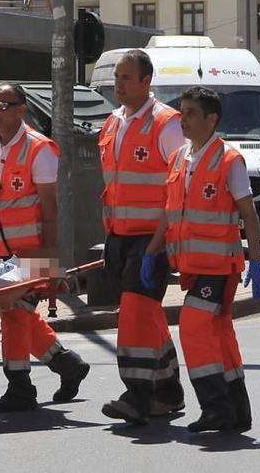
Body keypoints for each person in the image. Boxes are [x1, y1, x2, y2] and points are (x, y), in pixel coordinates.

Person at [0, 84, 90, 412]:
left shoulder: (39, 150)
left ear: (21, 110)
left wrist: (51, 264)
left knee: (14, 314)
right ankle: (68, 364)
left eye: (3, 105)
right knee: (20, 314)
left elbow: (51, 211)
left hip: (32, 254)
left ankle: (20, 387)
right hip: (0, 254)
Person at [141, 86, 260, 433]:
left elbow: (249, 214)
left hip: (220, 267)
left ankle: (214, 407)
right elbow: (169, 211)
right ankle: (237, 411)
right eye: (182, 112)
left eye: (192, 113)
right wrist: (152, 252)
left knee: (194, 328)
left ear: (212, 119)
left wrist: (255, 261)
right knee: (220, 336)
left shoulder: (229, 160)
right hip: (192, 268)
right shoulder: (180, 157)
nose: (184, 119)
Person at [98, 50, 187, 425]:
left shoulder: (166, 124)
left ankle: (135, 395)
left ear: (146, 81)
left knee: (134, 317)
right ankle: (168, 391)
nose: (119, 84)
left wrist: (159, 243)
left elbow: (179, 186)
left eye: (127, 78)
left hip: (151, 238)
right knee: (146, 315)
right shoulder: (112, 122)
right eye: (117, 77)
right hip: (118, 236)